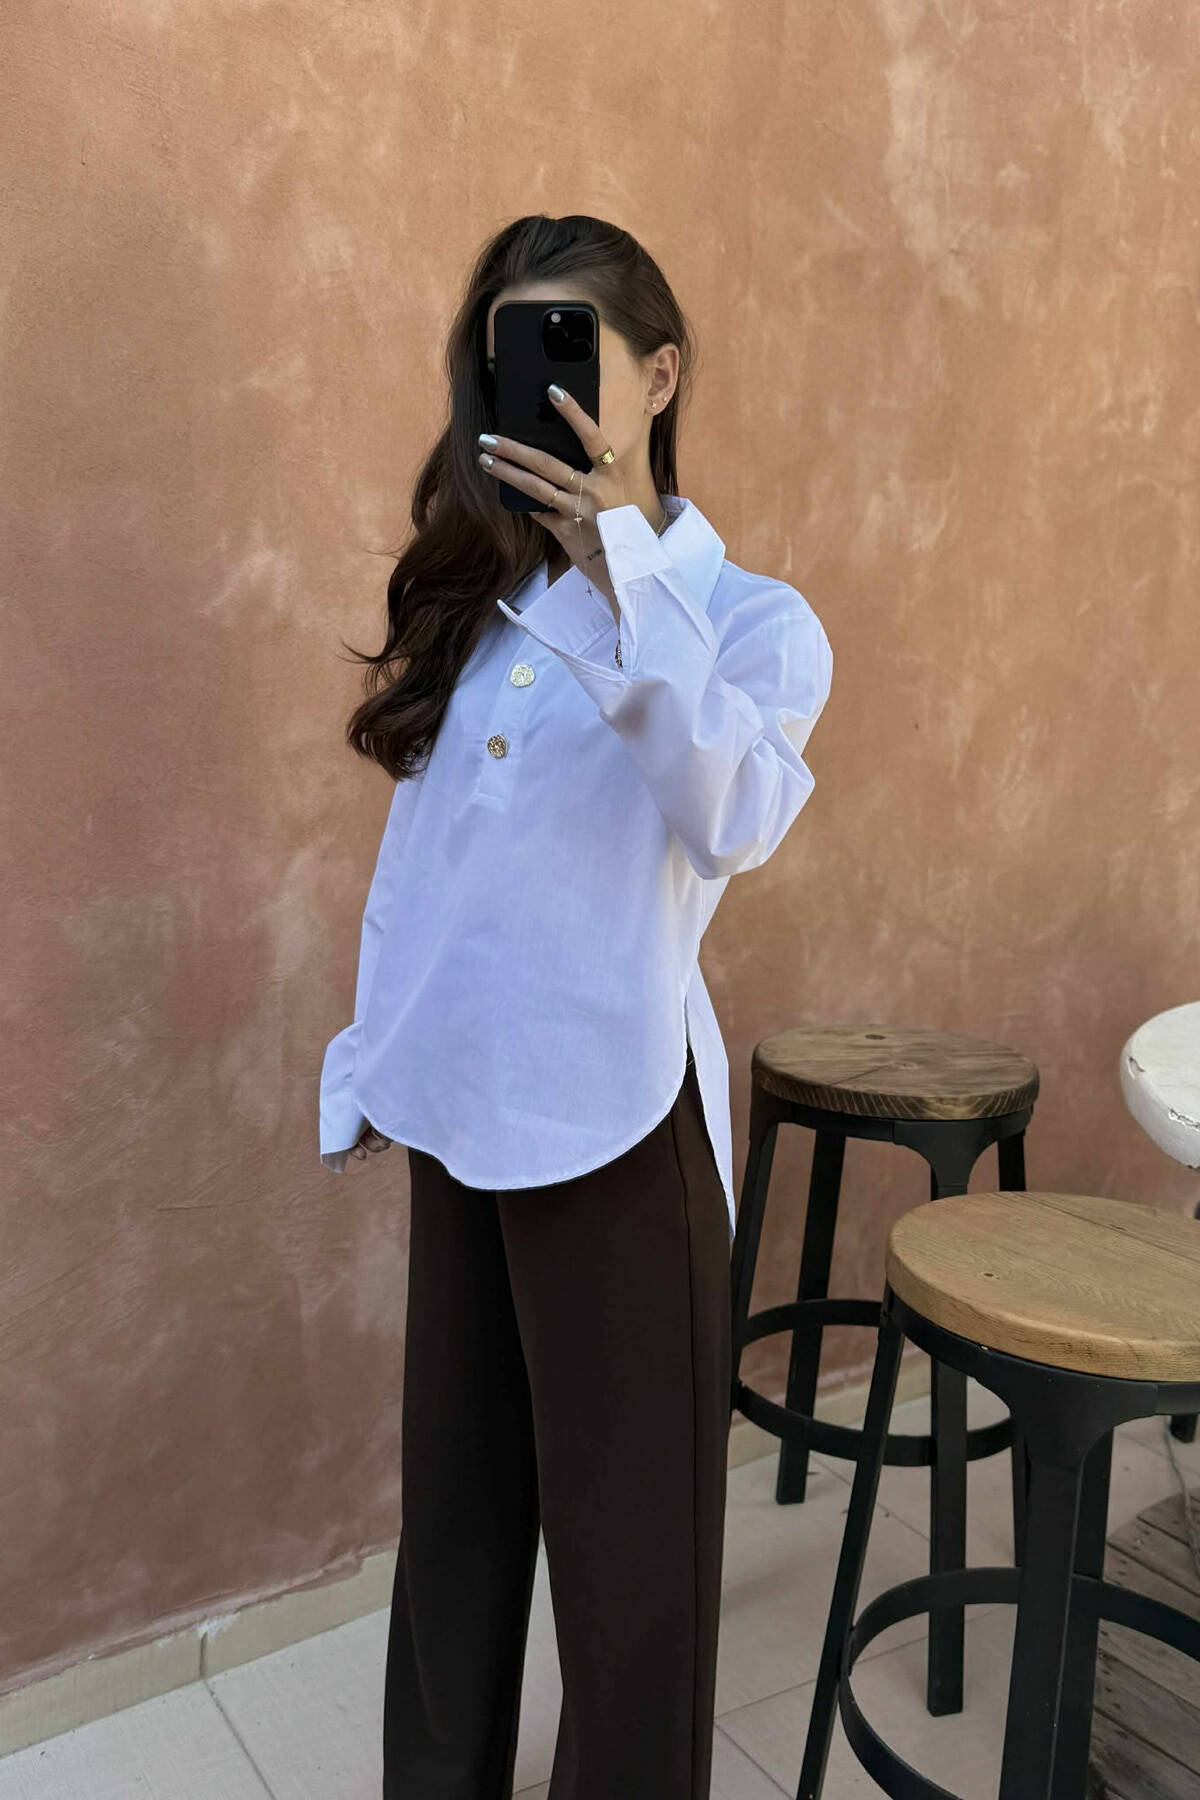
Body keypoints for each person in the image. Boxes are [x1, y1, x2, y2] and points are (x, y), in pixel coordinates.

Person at [318, 213, 833, 1800]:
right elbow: (427, 880)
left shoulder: (750, 620)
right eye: (506, 358)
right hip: (459, 1121)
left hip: (616, 1131)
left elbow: (731, 813)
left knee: (631, 1592)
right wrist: (374, 1065)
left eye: (569, 353)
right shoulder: (486, 615)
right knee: (455, 1537)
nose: (534, 391)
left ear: (659, 375)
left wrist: (628, 562)